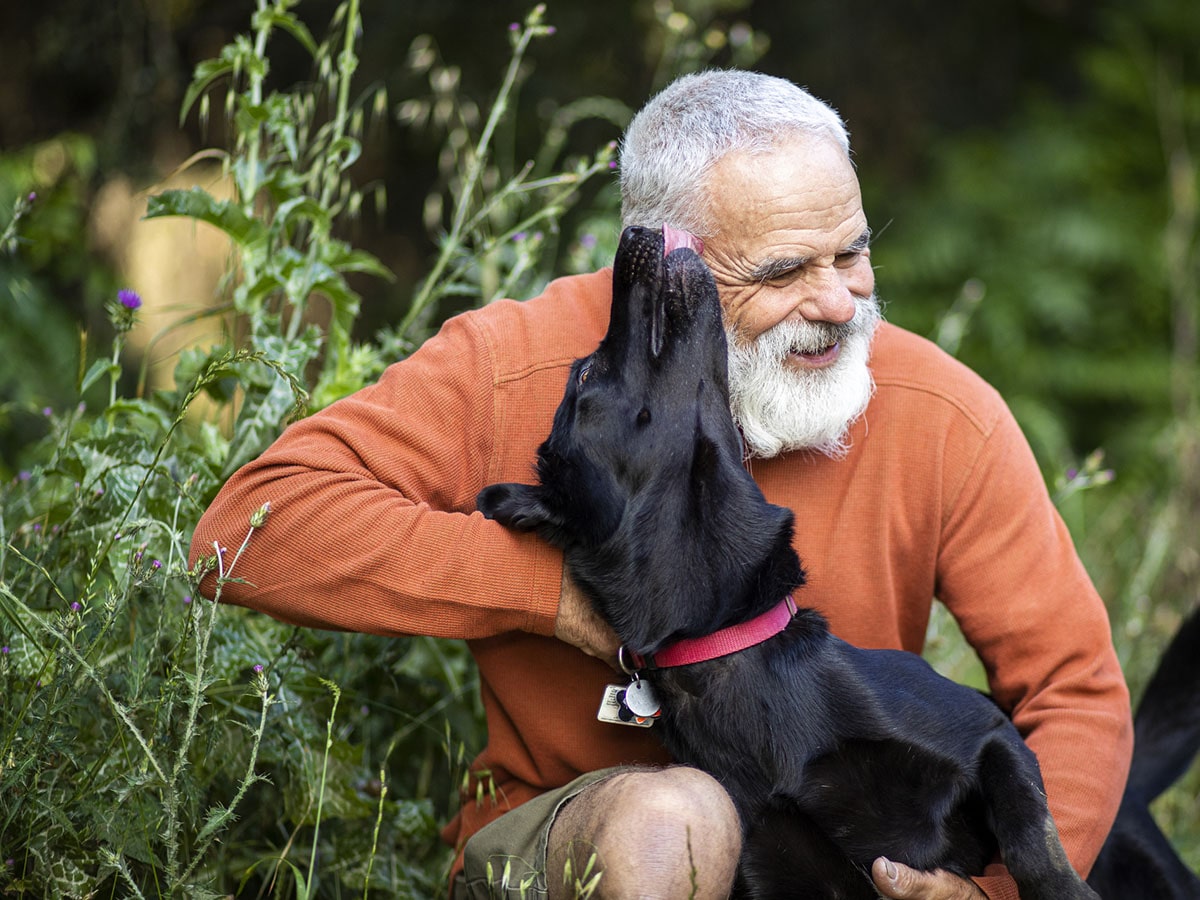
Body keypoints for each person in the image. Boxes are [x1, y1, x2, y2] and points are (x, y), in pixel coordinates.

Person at [189, 70, 1133, 899]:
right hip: (579, 844)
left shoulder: (936, 409)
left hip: (834, 853)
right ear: (670, 257)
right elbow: (247, 531)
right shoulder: (516, 369)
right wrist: (550, 592)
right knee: (673, 818)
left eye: (849, 252)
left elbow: (1074, 687)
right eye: (783, 270)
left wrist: (999, 894)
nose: (842, 304)